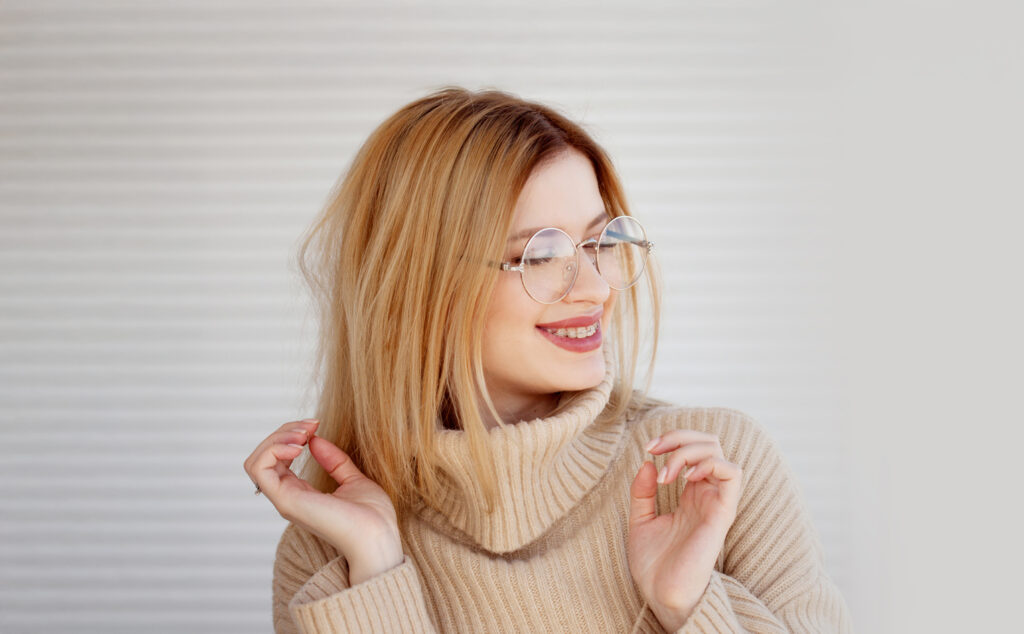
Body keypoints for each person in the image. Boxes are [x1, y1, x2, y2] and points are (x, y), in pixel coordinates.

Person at [243, 86, 854, 633]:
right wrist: (377, 570)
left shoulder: (712, 471)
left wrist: (687, 604)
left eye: (600, 243)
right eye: (539, 255)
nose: (594, 286)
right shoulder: (332, 544)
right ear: (416, 290)